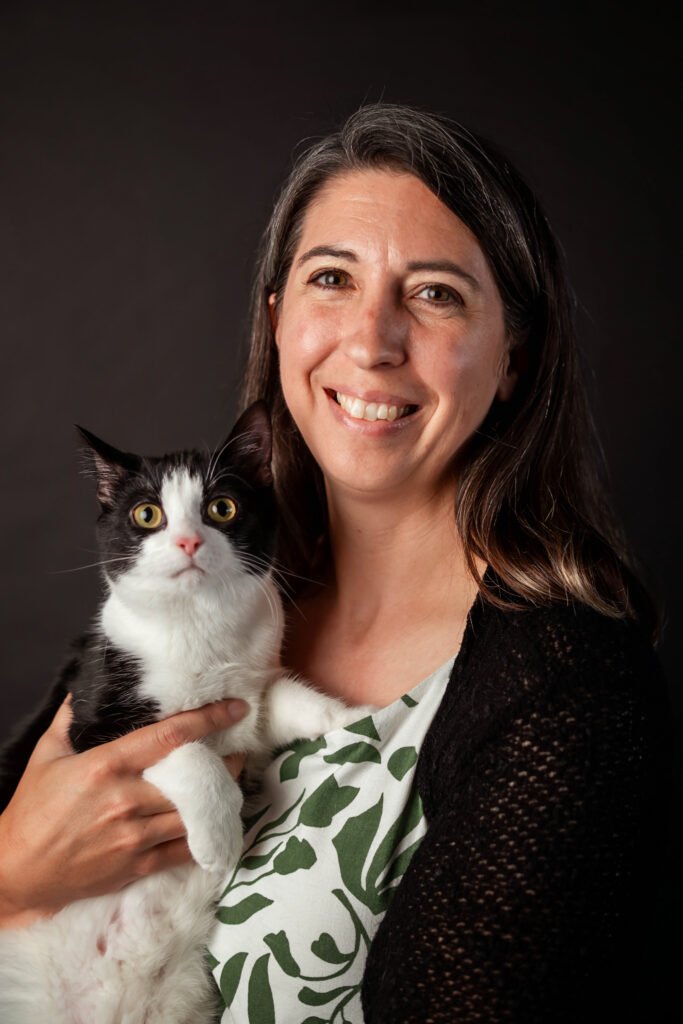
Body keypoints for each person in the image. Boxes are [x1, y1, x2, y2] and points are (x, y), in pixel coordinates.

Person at [0, 104, 672, 1022]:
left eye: (434, 293)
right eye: (331, 279)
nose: (370, 341)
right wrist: (11, 875)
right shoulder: (188, 601)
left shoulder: (568, 698)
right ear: (277, 321)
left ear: (513, 353)